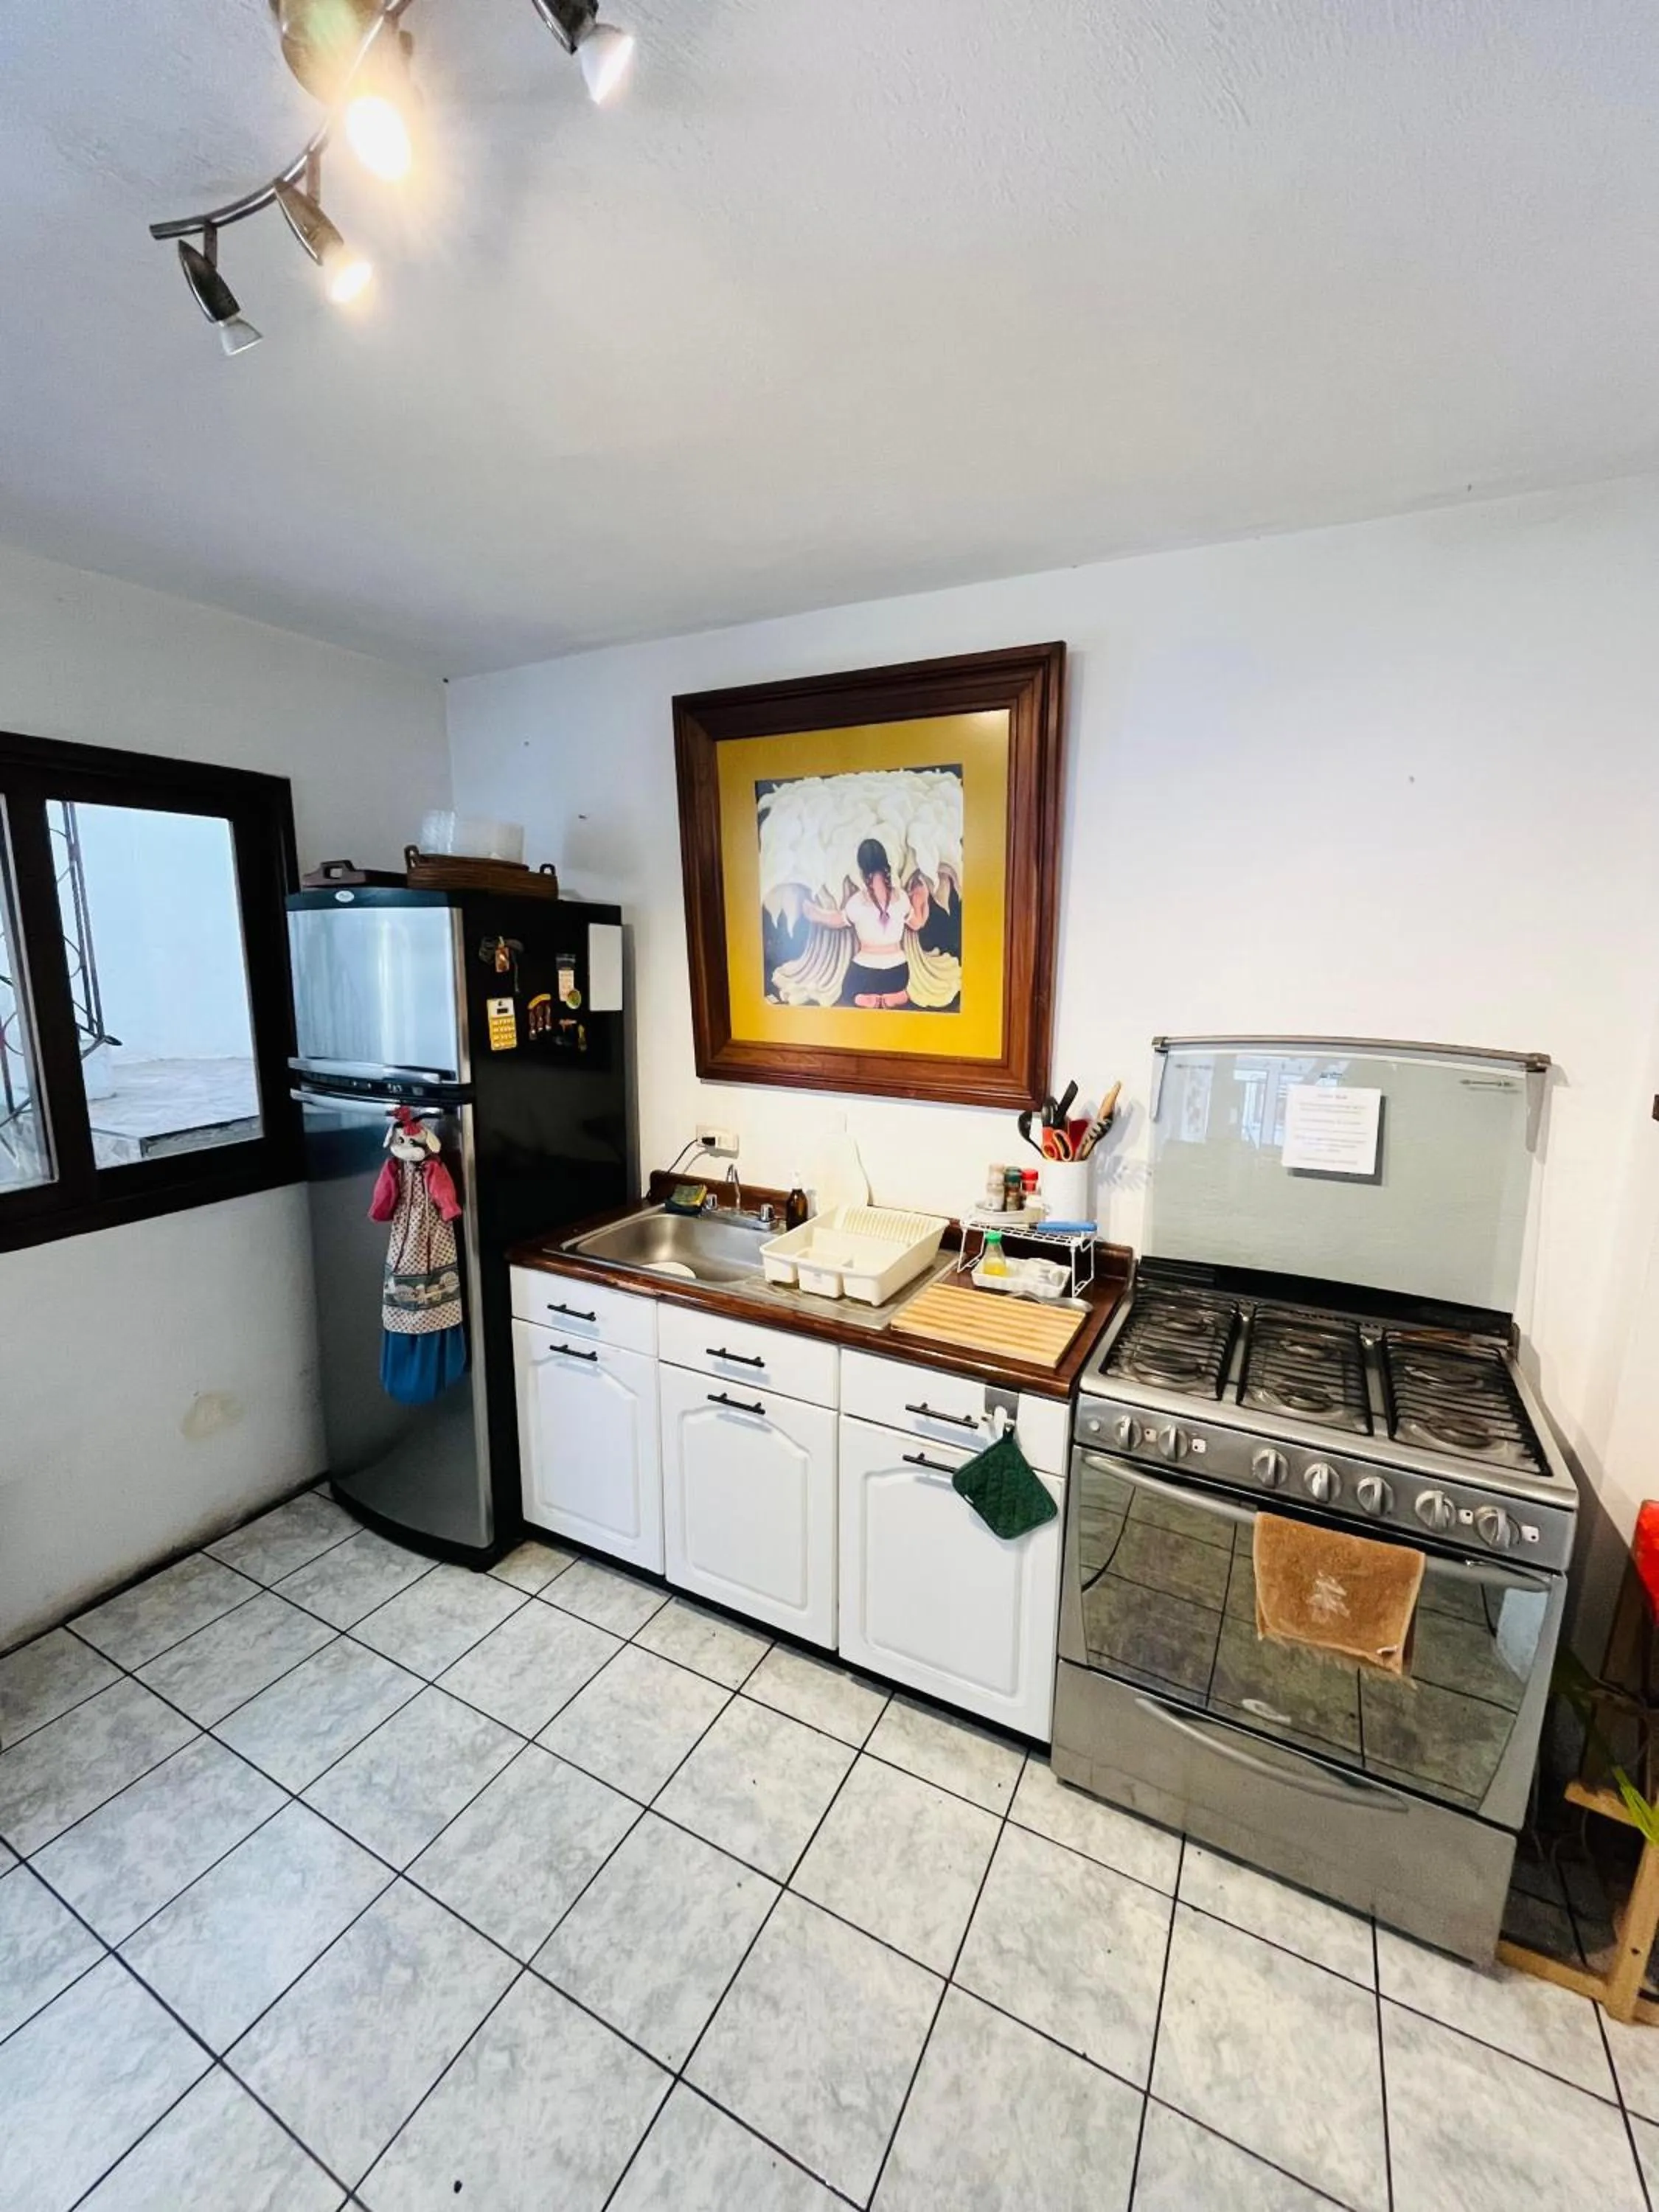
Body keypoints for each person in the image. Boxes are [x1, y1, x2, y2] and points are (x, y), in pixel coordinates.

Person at [807, 837, 931, 1008]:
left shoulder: (857, 901)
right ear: (885, 863)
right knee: (897, 983)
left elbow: (835, 920)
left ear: (862, 868)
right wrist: (920, 900)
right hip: (898, 973)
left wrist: (816, 914)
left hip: (866, 973)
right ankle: (896, 995)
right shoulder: (901, 897)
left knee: (849, 991)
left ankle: (867, 998)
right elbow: (918, 924)